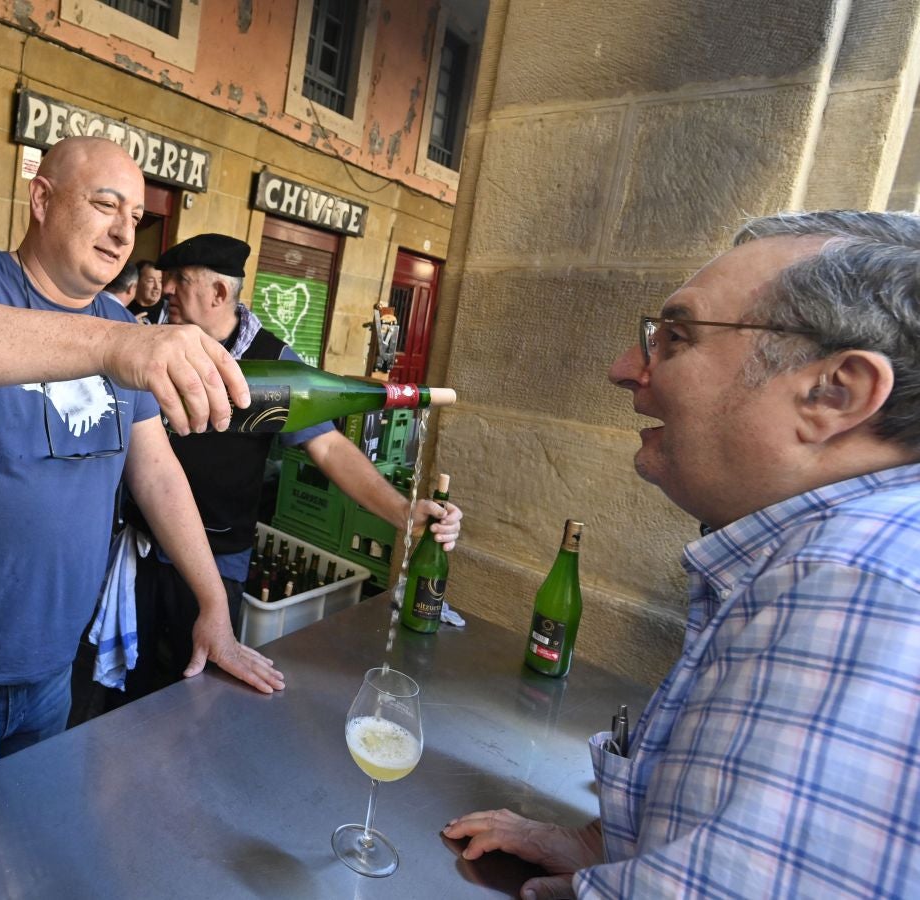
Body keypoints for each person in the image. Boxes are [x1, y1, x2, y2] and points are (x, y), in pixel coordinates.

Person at [444, 211, 920, 898]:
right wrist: (597, 849)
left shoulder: (854, 577)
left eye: (675, 337)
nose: (622, 370)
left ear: (832, 394)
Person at [0, 136, 281, 828]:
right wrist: (112, 346)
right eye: (104, 205)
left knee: (8, 864)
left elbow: (156, 471)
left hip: (44, 671)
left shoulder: (114, 322)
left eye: (133, 215)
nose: (123, 231)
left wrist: (211, 605)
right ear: (41, 200)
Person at [118, 233, 463, 701]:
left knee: (193, 692)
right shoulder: (148, 339)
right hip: (137, 551)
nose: (167, 288)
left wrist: (402, 511)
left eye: (181, 280)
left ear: (219, 293)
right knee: (123, 681)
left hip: (218, 561)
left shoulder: (276, 365)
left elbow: (328, 447)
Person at [130, 258, 166, 323]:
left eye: (160, 281)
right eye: (151, 281)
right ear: (137, 282)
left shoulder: (169, 310)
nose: (157, 287)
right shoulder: (125, 310)